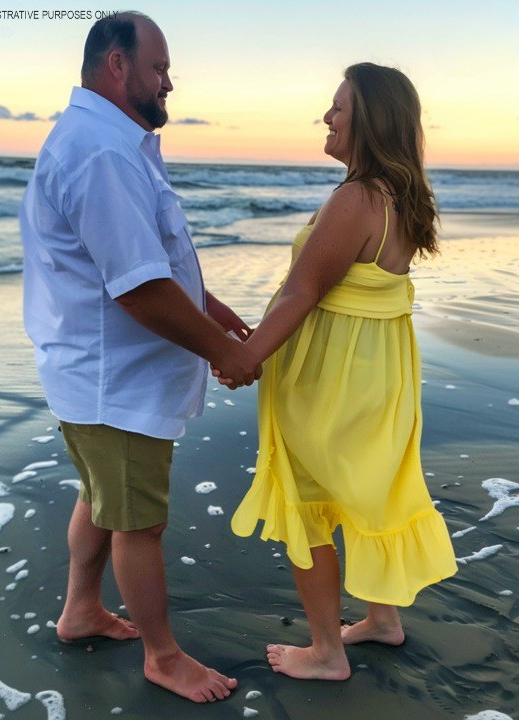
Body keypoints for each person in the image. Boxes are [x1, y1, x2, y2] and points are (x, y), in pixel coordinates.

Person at [19, 11, 261, 703]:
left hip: (97, 375)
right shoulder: (100, 151)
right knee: (138, 521)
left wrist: (207, 306)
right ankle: (163, 657)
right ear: (117, 66)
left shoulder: (111, 142)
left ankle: (81, 611)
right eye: (159, 69)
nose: (169, 83)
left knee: (104, 498)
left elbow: (143, 258)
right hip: (113, 381)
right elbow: (140, 289)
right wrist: (225, 353)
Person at [217, 63, 458, 681]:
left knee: (309, 497)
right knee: (364, 489)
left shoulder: (355, 198)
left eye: (338, 107)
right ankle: (382, 620)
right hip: (379, 373)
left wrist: (248, 355)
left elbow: (303, 292)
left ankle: (326, 652)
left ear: (369, 120)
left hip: (334, 377)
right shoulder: (399, 199)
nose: (326, 117)